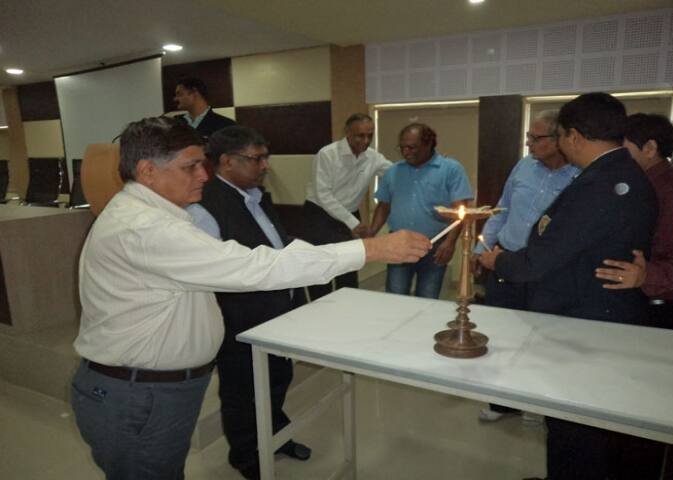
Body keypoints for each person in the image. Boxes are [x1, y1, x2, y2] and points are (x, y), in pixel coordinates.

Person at [70, 116, 430, 480]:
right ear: (148, 171)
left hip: (152, 389)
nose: (204, 175)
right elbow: (254, 267)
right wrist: (370, 249)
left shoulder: (154, 215)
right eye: (191, 166)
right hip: (140, 394)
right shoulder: (146, 229)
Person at [479, 93, 660, 480]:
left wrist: (498, 261)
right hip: (594, 312)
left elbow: (544, 256)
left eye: (559, 136)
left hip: (585, 319)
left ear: (573, 136)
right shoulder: (621, 174)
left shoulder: (599, 185)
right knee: (573, 421)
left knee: (576, 426)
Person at [187, 126, 311, 480]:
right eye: (257, 159)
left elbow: (275, 245)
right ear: (227, 162)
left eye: (265, 158)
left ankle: (275, 435)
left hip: (277, 312)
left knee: (278, 377)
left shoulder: (255, 195)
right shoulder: (204, 209)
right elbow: (215, 274)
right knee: (241, 392)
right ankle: (245, 455)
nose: (265, 166)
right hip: (239, 321)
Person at [472, 110, 579, 422]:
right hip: (506, 262)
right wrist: (480, 250)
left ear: (559, 140)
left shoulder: (580, 176)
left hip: (547, 271)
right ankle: (503, 402)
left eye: (535, 137)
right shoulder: (523, 166)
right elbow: (501, 210)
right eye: (529, 136)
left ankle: (540, 404)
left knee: (542, 339)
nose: (529, 142)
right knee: (502, 335)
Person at [595, 113, 673, 332]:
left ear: (650, 148)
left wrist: (646, 275)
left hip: (661, 308)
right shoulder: (636, 183)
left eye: (621, 147)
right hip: (635, 298)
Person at [370, 123, 474, 299]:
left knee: (427, 297)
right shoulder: (393, 172)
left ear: (428, 144)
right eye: (402, 147)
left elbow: (460, 211)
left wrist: (450, 243)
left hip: (434, 245)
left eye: (412, 147)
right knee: (395, 297)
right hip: (398, 242)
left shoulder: (451, 169)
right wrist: (371, 232)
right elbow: (384, 205)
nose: (406, 152)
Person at [302, 113, 393, 300]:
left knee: (350, 267)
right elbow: (323, 195)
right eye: (360, 135)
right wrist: (352, 222)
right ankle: (320, 310)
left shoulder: (373, 157)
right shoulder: (327, 154)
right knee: (321, 269)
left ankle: (348, 306)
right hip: (319, 215)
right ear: (347, 133)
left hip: (350, 214)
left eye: (369, 135)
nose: (365, 141)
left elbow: (396, 172)